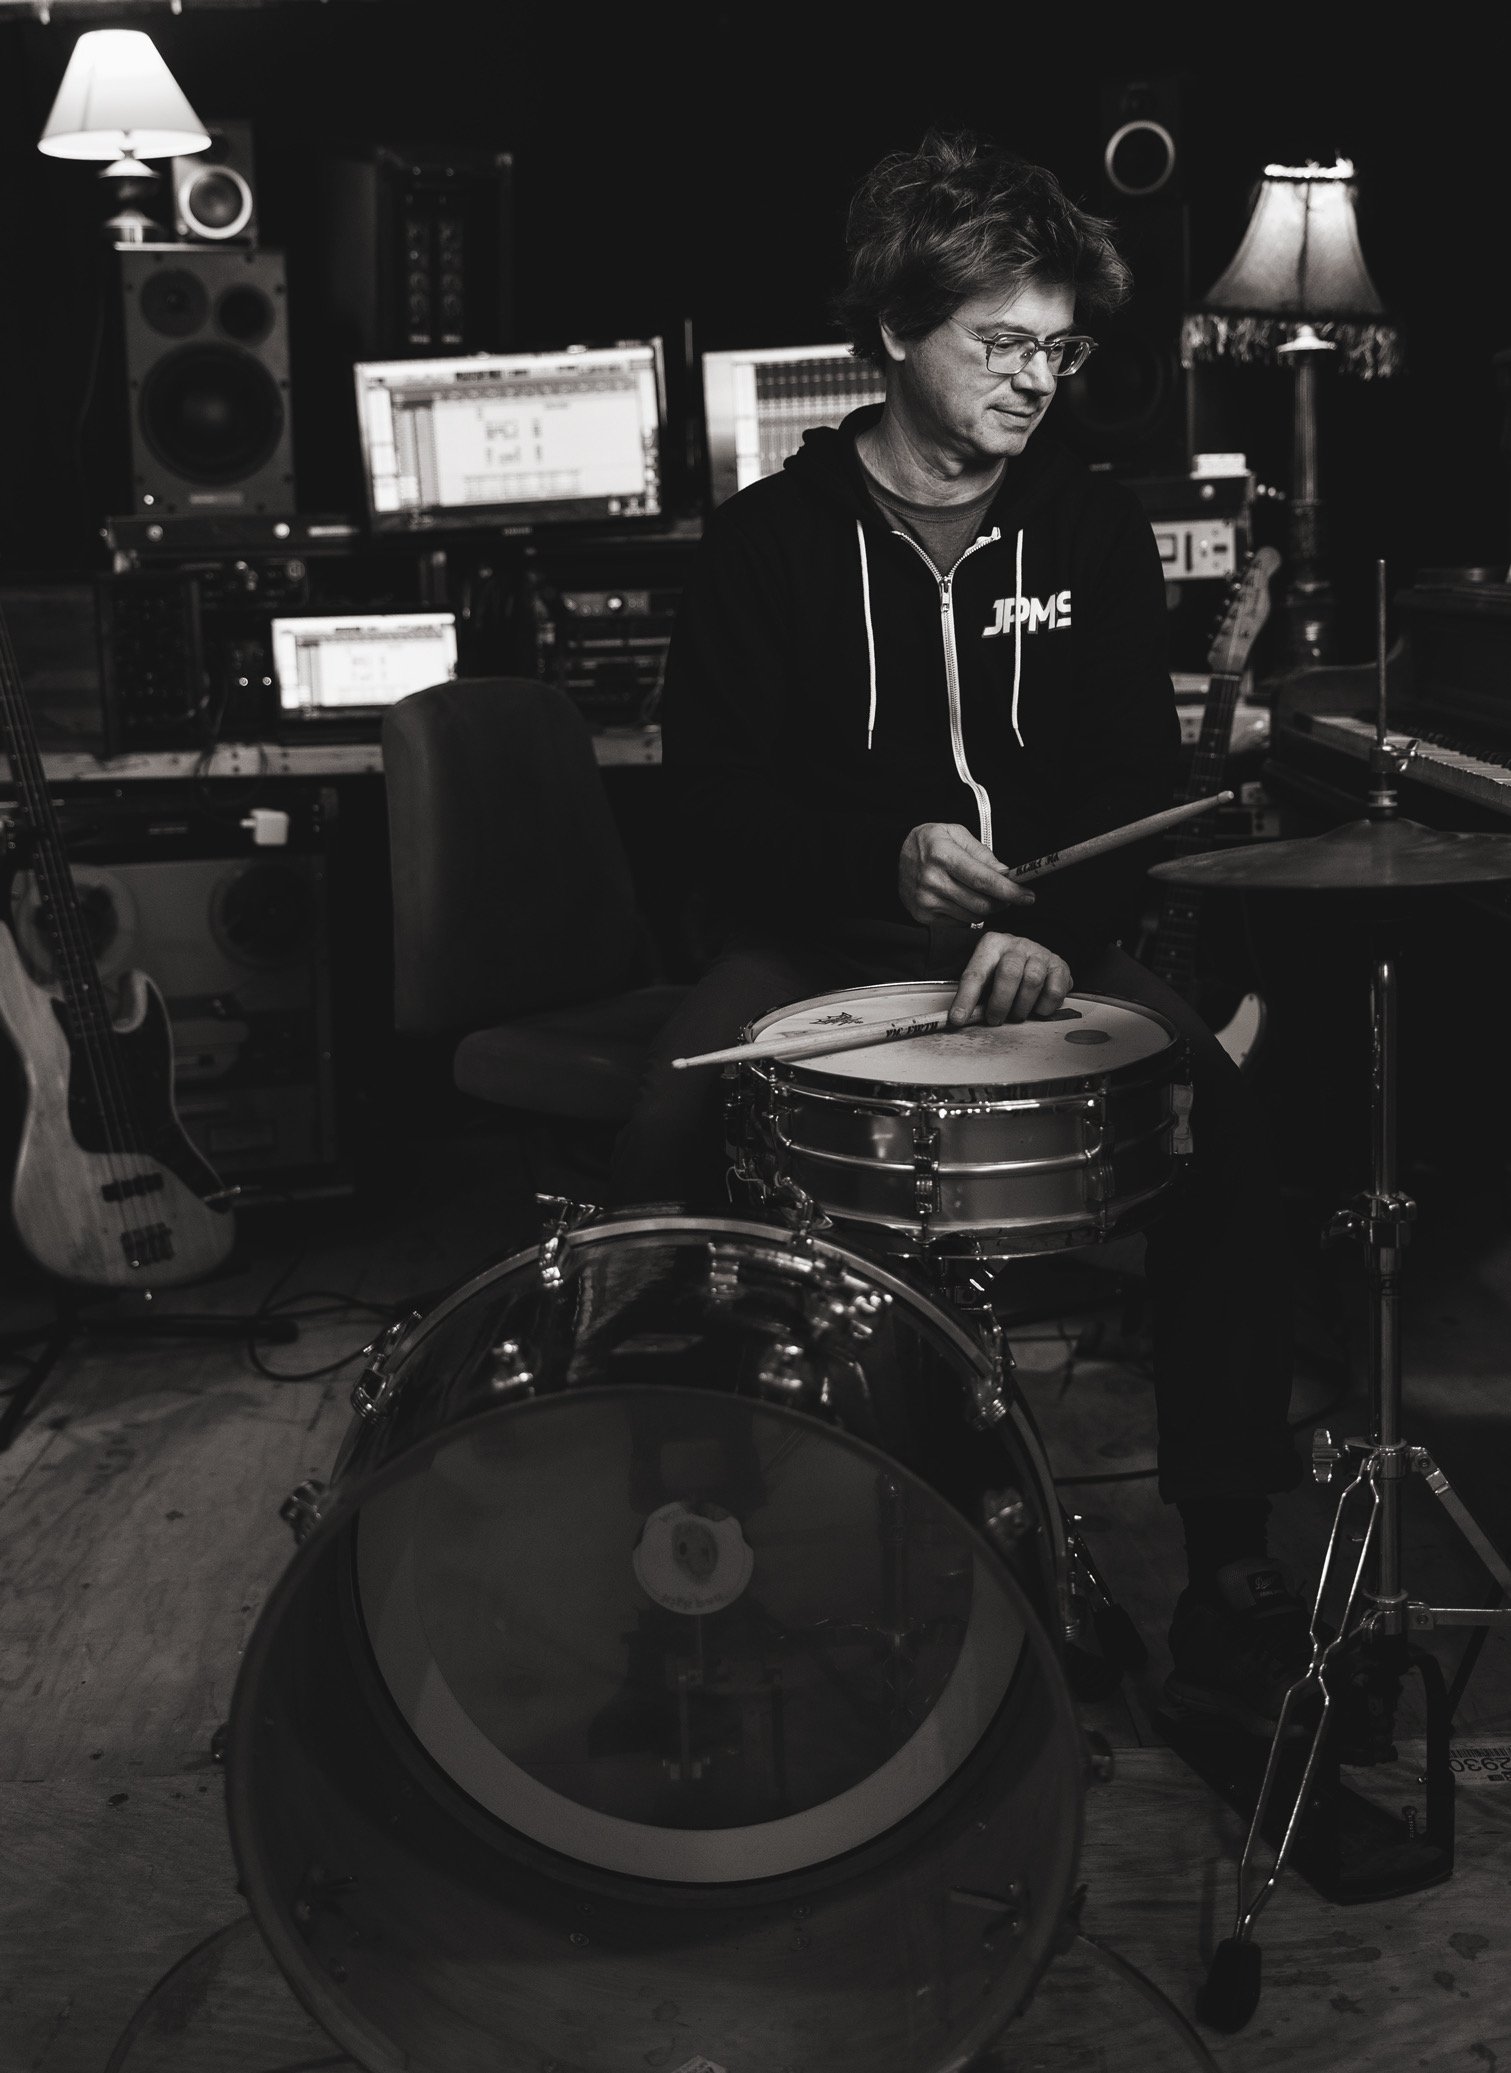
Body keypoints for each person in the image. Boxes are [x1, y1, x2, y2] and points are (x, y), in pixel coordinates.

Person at [610, 129, 1305, 1733]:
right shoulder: (764, 545)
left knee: (1229, 1125)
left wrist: (1059, 921)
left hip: (1036, 941)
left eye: (1057, 348)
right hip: (818, 941)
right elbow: (706, 801)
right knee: (662, 1129)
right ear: (887, 336)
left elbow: (1138, 774)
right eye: (999, 342)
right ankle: (688, 1547)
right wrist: (880, 856)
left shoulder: (1091, 531)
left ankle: (1225, 1555)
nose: (1035, 379)